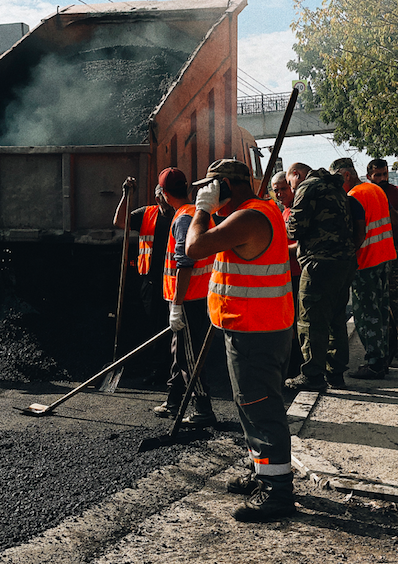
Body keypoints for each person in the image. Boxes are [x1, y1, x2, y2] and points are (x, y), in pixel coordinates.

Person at [186, 159, 295, 522]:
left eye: (211, 187)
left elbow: (195, 247)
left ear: (226, 187)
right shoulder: (253, 212)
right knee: (251, 405)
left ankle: (277, 492)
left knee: (261, 408)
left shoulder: (250, 217)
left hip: (257, 332)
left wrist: (201, 210)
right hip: (254, 329)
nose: (206, 193)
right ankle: (261, 471)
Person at [153, 167, 217, 428]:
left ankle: (203, 409)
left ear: (165, 194)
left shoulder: (182, 220)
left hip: (189, 298)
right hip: (200, 294)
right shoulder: (195, 214)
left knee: (189, 356)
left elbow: (185, 263)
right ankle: (173, 400)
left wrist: (177, 306)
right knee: (180, 352)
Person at [284, 163, 357, 391]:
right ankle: (335, 373)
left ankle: (312, 374)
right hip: (344, 262)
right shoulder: (336, 188)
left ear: (296, 175)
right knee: (336, 318)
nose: (291, 188)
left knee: (310, 320)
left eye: (289, 183)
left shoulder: (308, 187)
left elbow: (295, 229)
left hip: (319, 263)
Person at [329, 158, 396, 379]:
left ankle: (374, 363)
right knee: (381, 311)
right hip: (385, 256)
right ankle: (383, 359)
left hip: (366, 261)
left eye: (338, 179)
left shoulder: (354, 196)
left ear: (346, 175)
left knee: (366, 313)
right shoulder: (376, 190)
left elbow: (357, 231)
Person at [113, 177, 174, 384]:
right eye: (162, 198)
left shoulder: (182, 215)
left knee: (171, 327)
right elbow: (120, 222)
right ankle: (158, 368)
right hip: (151, 281)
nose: (165, 202)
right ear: (158, 197)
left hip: (174, 281)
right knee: (154, 325)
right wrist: (126, 196)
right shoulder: (146, 214)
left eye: (168, 198)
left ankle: (168, 370)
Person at [271, 171, 303, 379]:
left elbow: (302, 245)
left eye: (284, 188)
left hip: (297, 275)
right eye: (277, 190)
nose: (281, 193)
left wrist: (277, 249)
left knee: (297, 323)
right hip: (286, 275)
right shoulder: (283, 212)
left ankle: (296, 367)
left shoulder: (298, 211)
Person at [366, 158, 398, 363]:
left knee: (394, 302)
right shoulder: (366, 194)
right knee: (381, 304)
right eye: (377, 175)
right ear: (369, 176)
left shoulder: (393, 192)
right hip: (375, 257)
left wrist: (387, 205)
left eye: (384, 174)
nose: (381, 179)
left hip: (394, 254)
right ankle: (387, 350)